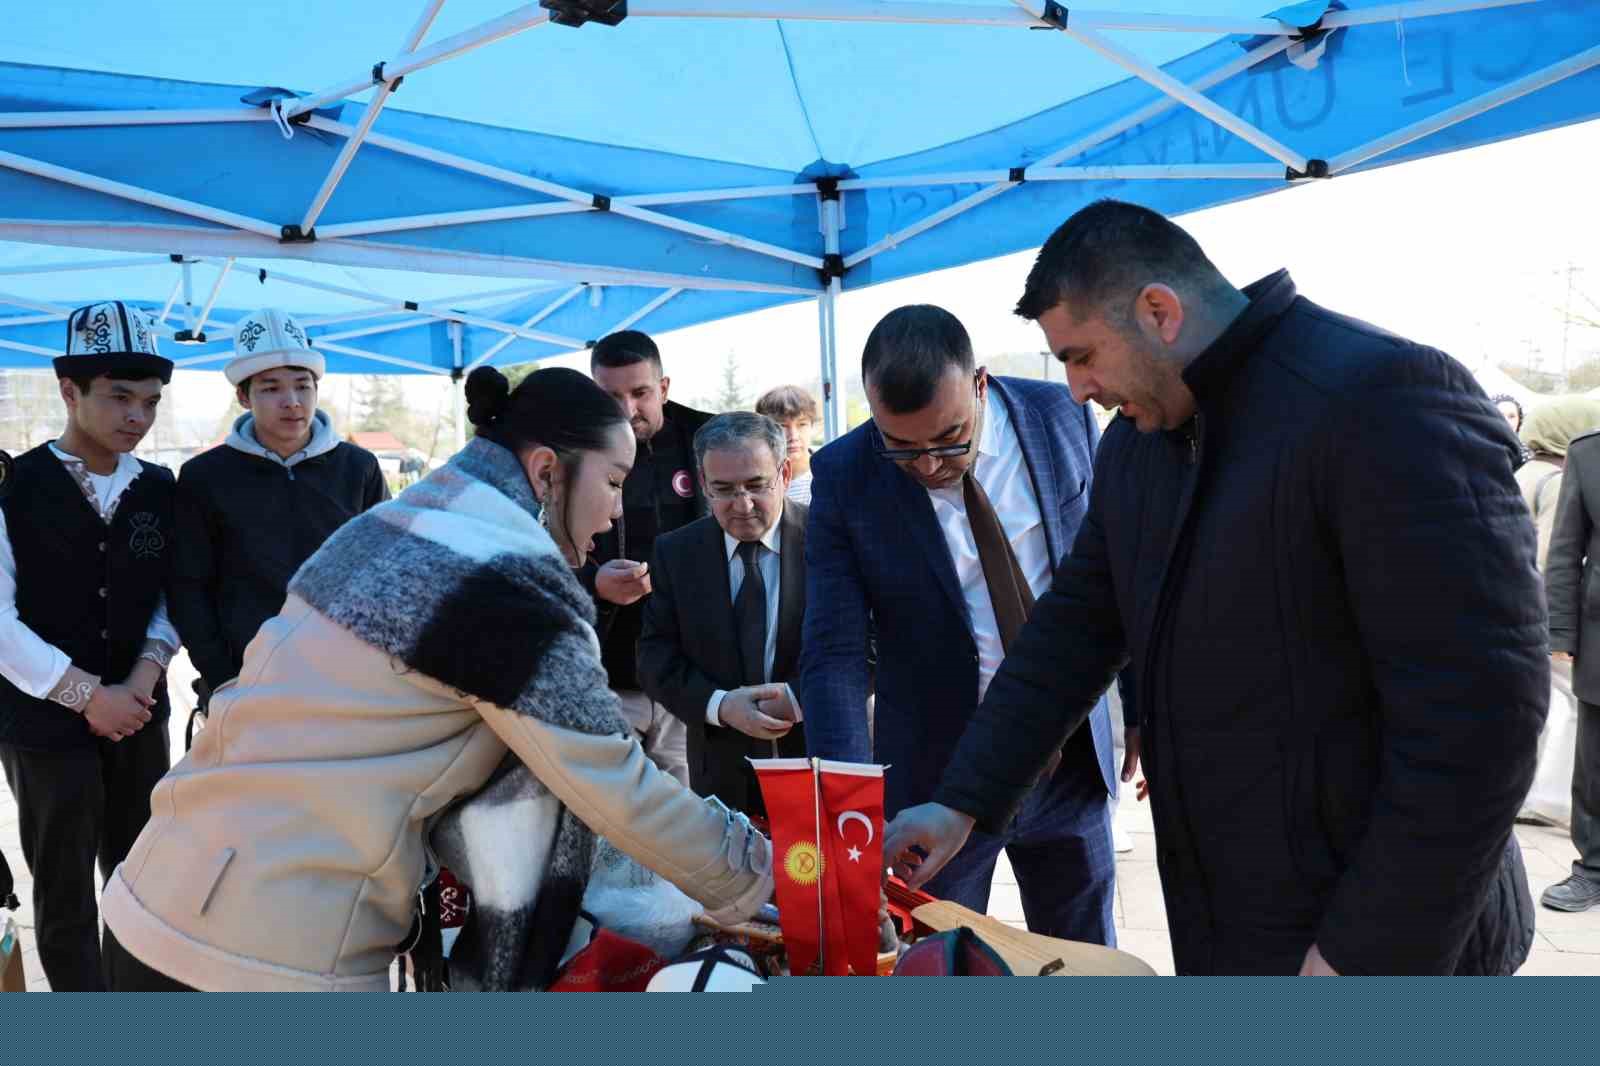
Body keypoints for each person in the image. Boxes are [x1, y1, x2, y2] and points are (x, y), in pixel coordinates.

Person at [885, 200, 1544, 976]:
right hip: (1238, 925)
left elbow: (1480, 718)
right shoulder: (1139, 445)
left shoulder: (1380, 397)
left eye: (1083, 355)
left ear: (1159, 311)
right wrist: (962, 802)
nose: (1075, 389)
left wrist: (1364, 952)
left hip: (1384, 939)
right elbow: (1071, 634)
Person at [99, 366, 772, 991]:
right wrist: (762, 876)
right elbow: (616, 786)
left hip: (151, 893)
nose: (616, 513)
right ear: (546, 472)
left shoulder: (382, 527)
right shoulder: (511, 584)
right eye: (615, 482)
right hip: (264, 952)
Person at [800, 304, 1128, 946]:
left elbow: (1112, 571)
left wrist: (1138, 706)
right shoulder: (845, 474)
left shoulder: (1060, 416)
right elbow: (834, 650)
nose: (928, 465)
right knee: (934, 969)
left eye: (951, 438)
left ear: (979, 382)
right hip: (935, 782)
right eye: (902, 447)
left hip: (1070, 762)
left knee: (1087, 958)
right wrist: (849, 804)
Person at [0, 301, 179, 991]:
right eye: (119, 397)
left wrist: (141, 677)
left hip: (138, 715)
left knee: (143, 884)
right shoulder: (15, 485)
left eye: (150, 402)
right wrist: (84, 696)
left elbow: (172, 594)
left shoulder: (160, 488)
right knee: (65, 893)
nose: (137, 416)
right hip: (44, 725)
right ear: (68, 391)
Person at [170, 308, 387, 724]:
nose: (291, 402)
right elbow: (188, 587)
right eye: (271, 388)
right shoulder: (204, 476)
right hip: (244, 685)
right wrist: (221, 676)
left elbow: (385, 573)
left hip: (346, 683)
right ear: (243, 397)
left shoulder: (359, 468)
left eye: (303, 386)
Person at [638, 412, 808, 817]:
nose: (743, 505)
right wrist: (720, 706)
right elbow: (655, 658)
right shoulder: (676, 553)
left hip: (819, 763)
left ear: (783, 473)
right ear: (703, 484)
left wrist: (802, 699)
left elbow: (870, 645)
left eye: (755, 485)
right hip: (722, 779)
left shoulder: (829, 540)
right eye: (724, 490)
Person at [581, 330, 714, 787]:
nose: (626, 410)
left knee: (691, 824)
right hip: (608, 680)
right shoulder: (568, 454)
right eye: (609, 396)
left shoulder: (707, 439)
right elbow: (541, 558)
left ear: (664, 387)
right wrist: (595, 583)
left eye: (639, 393)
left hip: (691, 678)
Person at [1516, 397, 1600, 830]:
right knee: (1575, 721)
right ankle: (1553, 807)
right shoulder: (1570, 469)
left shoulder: (1528, 472)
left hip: (1523, 609)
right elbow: (1558, 553)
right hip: (1569, 621)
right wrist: (1561, 630)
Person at [1541, 412, 1600, 912]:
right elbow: (1564, 551)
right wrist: (1561, 631)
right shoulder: (1587, 454)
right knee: (1595, 763)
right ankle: (1593, 869)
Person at [755, 385, 819, 505]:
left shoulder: (828, 475)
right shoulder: (755, 478)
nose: (793, 436)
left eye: (802, 424)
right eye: (782, 426)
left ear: (812, 426)